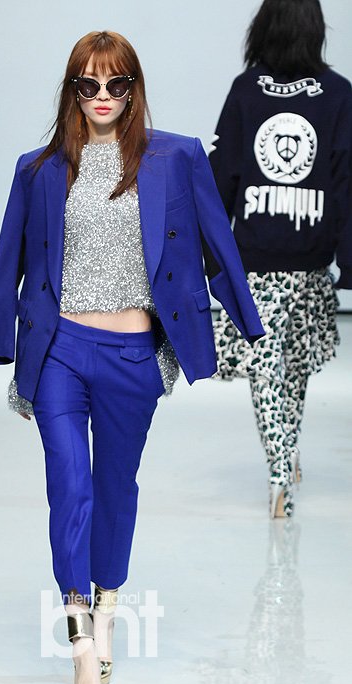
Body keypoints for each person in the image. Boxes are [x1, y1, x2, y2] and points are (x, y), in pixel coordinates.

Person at [0, 30, 264, 684]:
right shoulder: (39, 169)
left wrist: (247, 325)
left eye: (116, 84)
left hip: (134, 355)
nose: (102, 96)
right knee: (69, 487)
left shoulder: (176, 158)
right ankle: (81, 652)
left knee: (114, 490)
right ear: (72, 90)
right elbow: (9, 258)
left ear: (134, 89)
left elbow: (217, 244)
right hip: (61, 351)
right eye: (89, 84)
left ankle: (106, 618)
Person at [209, 0, 352, 519]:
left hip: (256, 259)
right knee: (293, 367)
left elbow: (223, 174)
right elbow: (346, 182)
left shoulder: (246, 90)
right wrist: (348, 259)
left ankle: (279, 469)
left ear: (263, 28)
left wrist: (206, 250)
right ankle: (285, 461)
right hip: (310, 259)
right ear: (315, 30)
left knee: (266, 369)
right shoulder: (338, 93)